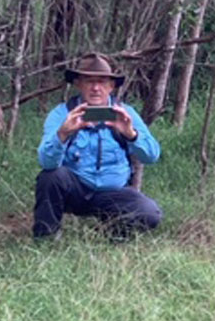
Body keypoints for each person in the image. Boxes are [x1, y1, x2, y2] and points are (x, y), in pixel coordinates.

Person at [34, 53, 162, 240]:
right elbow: (46, 162)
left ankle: (109, 237)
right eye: (89, 81)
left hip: (114, 193)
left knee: (149, 213)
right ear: (78, 83)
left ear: (111, 86)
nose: (95, 88)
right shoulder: (62, 113)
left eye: (102, 82)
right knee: (50, 177)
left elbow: (152, 156)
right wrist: (62, 134)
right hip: (75, 190)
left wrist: (131, 134)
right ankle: (46, 238)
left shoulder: (126, 113)